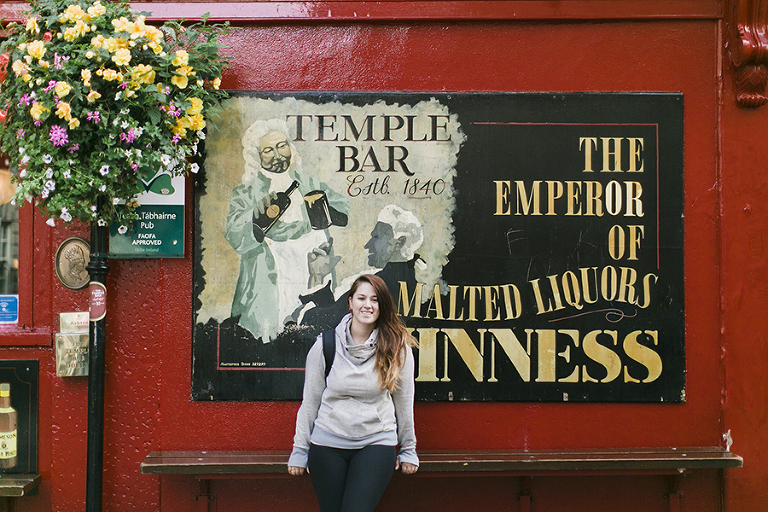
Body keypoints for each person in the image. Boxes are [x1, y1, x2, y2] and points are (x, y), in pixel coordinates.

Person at [288, 274, 419, 512]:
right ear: (350, 302)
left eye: (375, 299)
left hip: (376, 442)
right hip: (327, 443)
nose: (367, 305)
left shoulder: (397, 349)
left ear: (383, 306)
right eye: (361, 298)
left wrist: (408, 449)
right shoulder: (325, 345)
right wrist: (300, 450)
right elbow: (310, 401)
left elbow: (404, 401)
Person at [225, 119, 349, 342]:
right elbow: (235, 235)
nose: (277, 155)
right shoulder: (246, 193)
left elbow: (341, 207)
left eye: (282, 146)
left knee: (314, 329)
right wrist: (256, 220)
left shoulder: (308, 182)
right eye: (268, 150)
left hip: (313, 266)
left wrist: (325, 212)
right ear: (256, 156)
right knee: (275, 335)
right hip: (274, 273)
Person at [299, 204, 424, 332]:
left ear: (399, 242)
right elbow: (336, 317)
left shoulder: (378, 285)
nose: (367, 245)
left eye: (376, 237)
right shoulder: (405, 280)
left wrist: (317, 277)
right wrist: (319, 277)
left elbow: (323, 323)